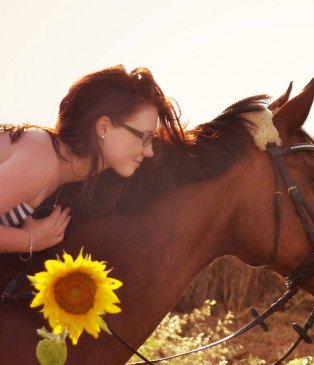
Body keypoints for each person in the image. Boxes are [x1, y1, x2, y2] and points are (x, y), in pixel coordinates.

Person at [0, 65, 186, 259]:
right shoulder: (41, 161)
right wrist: (30, 240)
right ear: (103, 127)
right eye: (145, 137)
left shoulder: (56, 166)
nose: (149, 152)